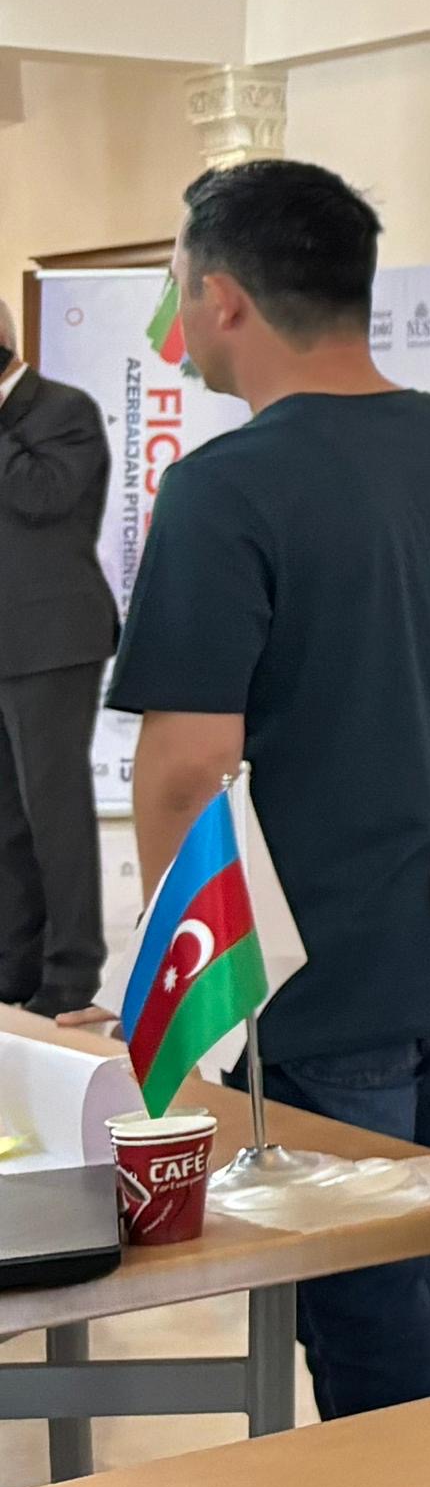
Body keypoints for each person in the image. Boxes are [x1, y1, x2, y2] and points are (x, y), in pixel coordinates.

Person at [103, 162, 430, 1413]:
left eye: (179, 287)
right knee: (391, 1262)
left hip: (309, 968)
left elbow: (186, 762)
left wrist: (182, 983)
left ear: (223, 297)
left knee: (365, 1306)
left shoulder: (226, 487)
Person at [0, 313, 121, 1023]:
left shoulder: (62, 410)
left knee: (54, 811)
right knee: (6, 816)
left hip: (52, 642)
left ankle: (72, 972)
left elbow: (42, 495)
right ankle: (12, 963)